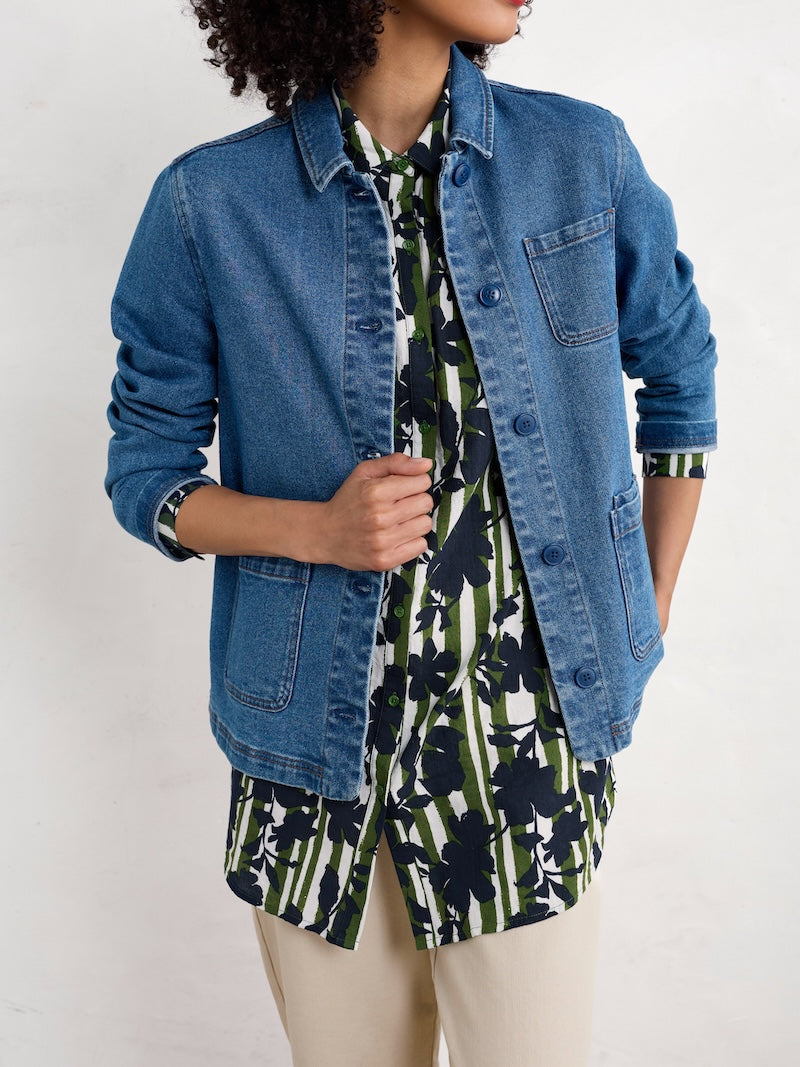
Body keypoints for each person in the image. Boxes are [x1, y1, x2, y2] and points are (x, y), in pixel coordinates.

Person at [104, 1, 717, 1064]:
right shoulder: (211, 202)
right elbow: (145, 474)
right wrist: (316, 529)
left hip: (525, 749)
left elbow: (679, 379)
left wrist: (643, 612)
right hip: (314, 765)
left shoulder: (580, 156)